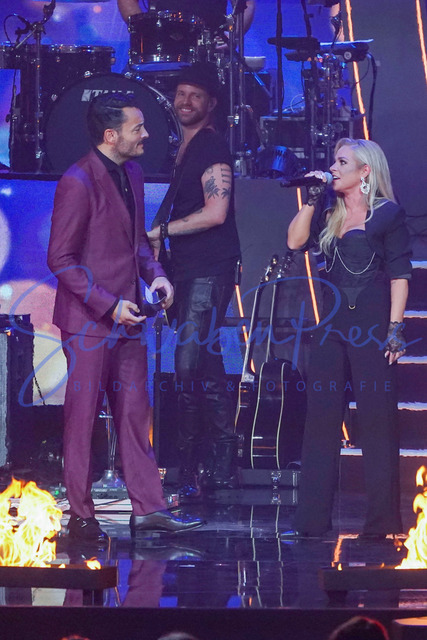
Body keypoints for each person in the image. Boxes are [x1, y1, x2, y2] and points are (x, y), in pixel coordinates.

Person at [47, 92, 202, 543]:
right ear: (111, 135)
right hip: (89, 321)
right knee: (82, 420)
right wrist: (108, 304)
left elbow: (136, 244)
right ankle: (81, 516)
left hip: (129, 317)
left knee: (135, 415)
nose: (147, 134)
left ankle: (148, 509)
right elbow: (60, 259)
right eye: (138, 128)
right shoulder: (78, 180)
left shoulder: (131, 172)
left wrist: (157, 276)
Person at [282, 138, 411, 539]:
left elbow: (400, 276)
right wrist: (312, 198)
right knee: (320, 424)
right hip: (331, 331)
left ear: (365, 171)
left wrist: (394, 330)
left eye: (341, 162)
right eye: (333, 162)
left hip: (371, 330)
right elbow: (294, 241)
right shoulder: (330, 212)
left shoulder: (388, 214)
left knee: (377, 424)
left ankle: (381, 524)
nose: (333, 168)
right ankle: (311, 522)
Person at [147, 63, 241, 498]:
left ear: (211, 103)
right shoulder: (184, 148)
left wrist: (162, 231)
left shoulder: (210, 145)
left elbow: (216, 212)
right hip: (186, 269)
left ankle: (192, 465)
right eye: (181, 93)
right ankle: (217, 466)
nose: (185, 101)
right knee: (204, 363)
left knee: (187, 366)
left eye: (195, 95)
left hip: (208, 267)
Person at [117, 0, 256, 38]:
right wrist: (145, 33)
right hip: (161, 45)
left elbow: (246, 4)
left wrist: (233, 35)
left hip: (212, 47)